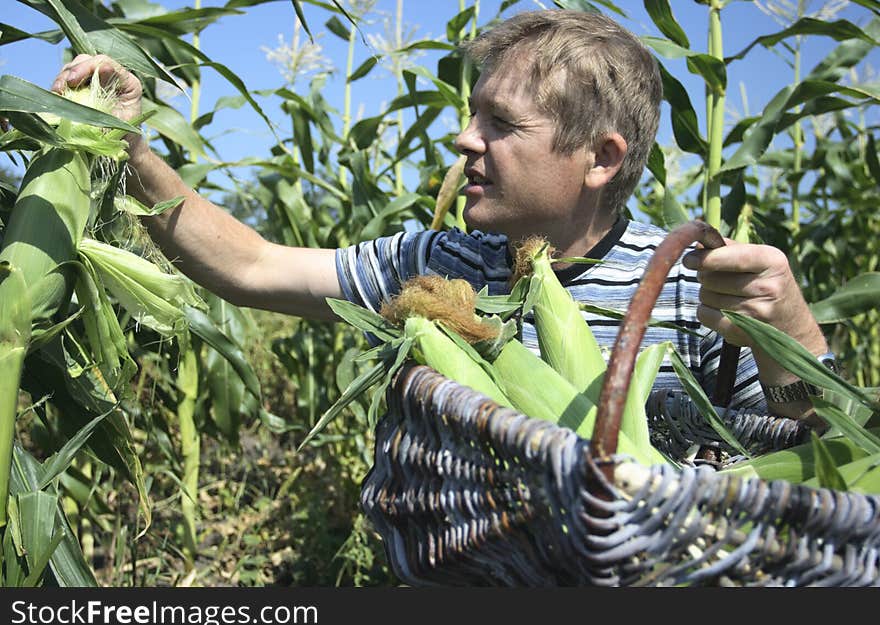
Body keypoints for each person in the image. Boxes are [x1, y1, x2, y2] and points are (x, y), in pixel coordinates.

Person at [50, 9, 831, 423]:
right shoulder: (436, 262)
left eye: (500, 122)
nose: (464, 139)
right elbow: (252, 266)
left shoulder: (691, 290)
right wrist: (128, 148)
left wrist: (789, 337)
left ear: (600, 158)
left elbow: (811, 442)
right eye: (471, 113)